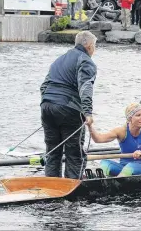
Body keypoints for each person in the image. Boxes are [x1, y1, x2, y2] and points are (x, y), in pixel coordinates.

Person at [40, 31, 98, 179]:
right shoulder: (86, 61)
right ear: (89, 46)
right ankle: (73, 192)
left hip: (47, 106)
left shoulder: (59, 60)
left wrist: (49, 102)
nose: (94, 50)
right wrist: (88, 112)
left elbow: (44, 86)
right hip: (69, 108)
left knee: (53, 150)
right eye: (95, 46)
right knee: (74, 151)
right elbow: (85, 87)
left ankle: (51, 185)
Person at [88, 103, 141, 176]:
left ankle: (116, 185)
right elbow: (98, 139)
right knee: (104, 164)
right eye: (138, 115)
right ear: (130, 118)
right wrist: (90, 126)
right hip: (123, 167)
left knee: (130, 167)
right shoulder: (121, 131)